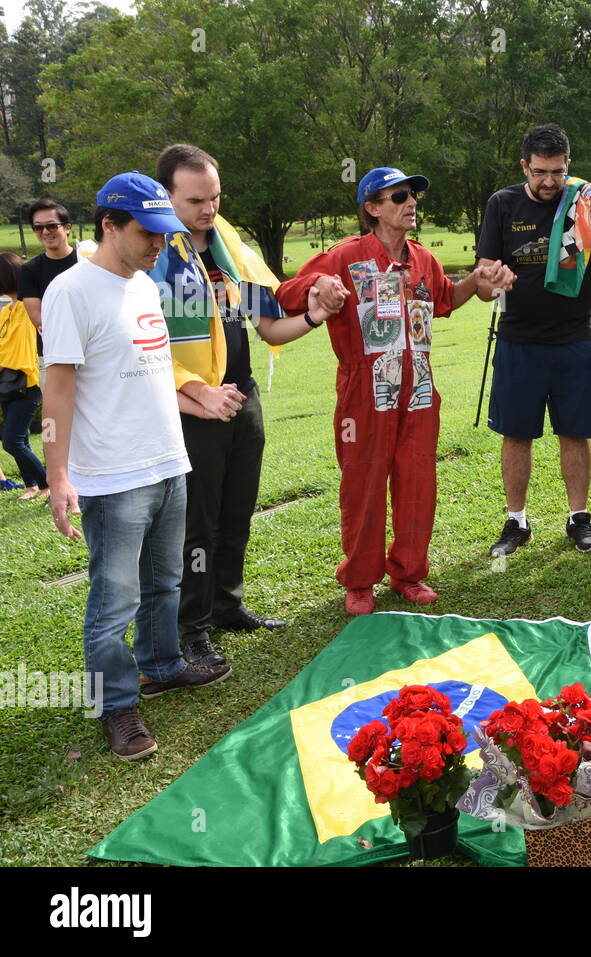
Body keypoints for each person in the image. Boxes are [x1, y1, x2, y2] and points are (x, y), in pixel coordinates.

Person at [42, 171, 232, 760]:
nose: (158, 244)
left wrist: (196, 396)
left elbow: (149, 376)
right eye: (147, 233)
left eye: (163, 232)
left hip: (168, 463)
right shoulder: (71, 291)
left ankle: (162, 665)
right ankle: (116, 706)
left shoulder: (145, 286)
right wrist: (57, 476)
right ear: (109, 225)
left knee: (164, 581)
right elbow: (58, 392)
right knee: (113, 599)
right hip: (113, 477)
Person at [278, 166, 512, 614]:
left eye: (413, 196)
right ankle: (360, 580)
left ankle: (408, 572)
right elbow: (285, 293)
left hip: (419, 389)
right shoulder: (344, 256)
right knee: (363, 483)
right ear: (372, 208)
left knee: (417, 481)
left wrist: (477, 283)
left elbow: (445, 299)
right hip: (363, 392)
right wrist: (318, 284)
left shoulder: (424, 258)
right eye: (399, 196)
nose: (411, 203)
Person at [150, 144, 336, 666]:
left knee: (236, 511)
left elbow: (269, 324)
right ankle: (192, 627)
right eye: (195, 201)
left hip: (241, 396)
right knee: (196, 523)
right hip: (195, 406)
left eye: (214, 197)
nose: (209, 210)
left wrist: (315, 315)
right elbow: (143, 348)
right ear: (166, 196)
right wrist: (194, 392)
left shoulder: (229, 251)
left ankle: (227, 605)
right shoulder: (155, 257)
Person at [476, 123, 591, 557]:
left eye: (557, 172)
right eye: (540, 172)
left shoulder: (583, 201)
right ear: (525, 165)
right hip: (518, 341)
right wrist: (492, 281)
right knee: (516, 434)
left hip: (574, 339)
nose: (548, 182)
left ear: (567, 166)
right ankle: (516, 522)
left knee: (576, 433)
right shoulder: (502, 204)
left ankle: (579, 519)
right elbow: (484, 279)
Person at [0, 253, 48, 500]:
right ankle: (32, 486)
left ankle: (46, 483)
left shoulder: (26, 307)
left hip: (26, 382)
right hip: (7, 384)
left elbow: (17, 349)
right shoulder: (6, 310)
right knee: (20, 440)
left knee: (12, 442)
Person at [19, 199, 79, 351]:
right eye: (38, 227)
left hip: (96, 343)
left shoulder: (86, 261)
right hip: (57, 347)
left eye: (51, 226)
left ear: (67, 227)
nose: (45, 232)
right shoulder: (30, 270)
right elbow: (37, 317)